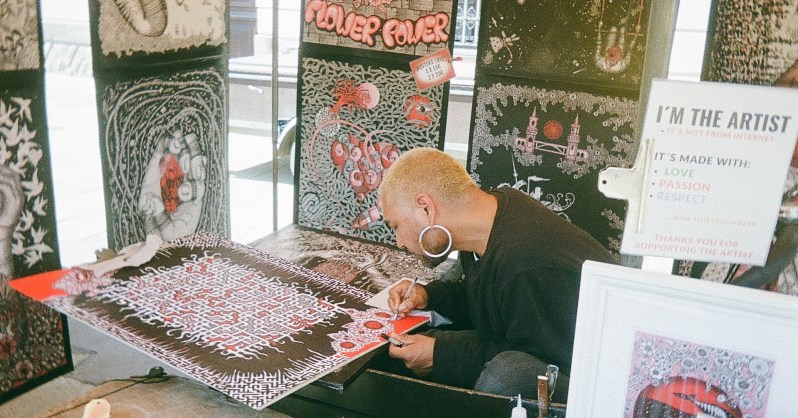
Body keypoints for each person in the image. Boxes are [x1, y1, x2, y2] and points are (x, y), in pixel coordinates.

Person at [377, 148, 616, 402]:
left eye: (396, 226)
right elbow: (499, 304)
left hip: (593, 378)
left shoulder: (524, 262)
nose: (399, 241)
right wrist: (430, 296)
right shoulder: (491, 213)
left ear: (426, 209)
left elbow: (530, 357)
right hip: (542, 337)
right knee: (424, 341)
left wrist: (442, 356)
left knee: (502, 377)